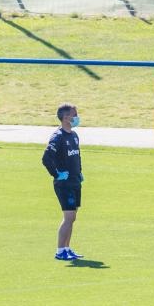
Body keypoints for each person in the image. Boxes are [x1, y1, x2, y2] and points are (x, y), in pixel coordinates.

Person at [42, 103, 85, 261]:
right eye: (75, 114)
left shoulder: (74, 135)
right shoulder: (58, 137)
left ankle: (67, 248)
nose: (77, 117)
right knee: (68, 217)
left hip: (75, 182)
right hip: (64, 184)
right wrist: (56, 174)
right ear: (66, 117)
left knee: (72, 217)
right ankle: (60, 251)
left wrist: (79, 172)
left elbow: (77, 156)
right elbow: (46, 158)